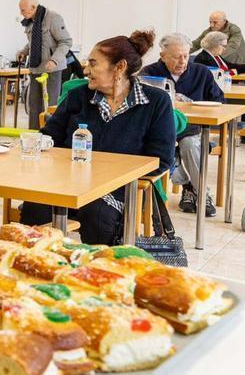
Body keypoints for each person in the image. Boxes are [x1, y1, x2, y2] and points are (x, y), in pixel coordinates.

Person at [21, 30, 176, 245]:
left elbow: (161, 159)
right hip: (67, 182)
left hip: (119, 189)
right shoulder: (79, 96)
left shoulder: (156, 102)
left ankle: (98, 273)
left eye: (93, 64)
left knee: (97, 214)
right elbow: (49, 136)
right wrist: (33, 144)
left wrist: (105, 175)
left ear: (119, 67)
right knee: (34, 206)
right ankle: (38, 266)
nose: (86, 70)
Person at [140, 33, 223, 217]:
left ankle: (202, 194)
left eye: (186, 56)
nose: (182, 61)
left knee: (189, 145)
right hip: (160, 130)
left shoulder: (201, 72)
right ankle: (189, 185)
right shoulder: (149, 73)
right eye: (177, 56)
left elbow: (218, 100)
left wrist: (193, 105)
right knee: (161, 152)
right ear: (163, 56)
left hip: (192, 128)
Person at [16, 0, 73, 129]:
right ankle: (34, 135)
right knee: (34, 105)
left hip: (51, 69)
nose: (21, 13)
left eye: (23, 10)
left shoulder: (53, 18)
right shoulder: (30, 21)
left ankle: (49, 135)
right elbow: (33, 43)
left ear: (34, 7)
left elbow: (66, 42)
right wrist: (23, 52)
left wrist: (54, 60)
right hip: (36, 68)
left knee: (49, 104)